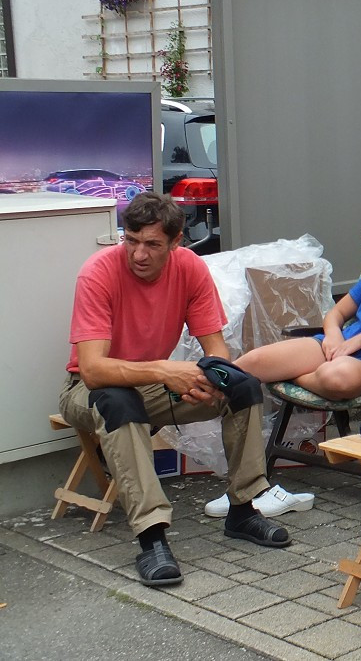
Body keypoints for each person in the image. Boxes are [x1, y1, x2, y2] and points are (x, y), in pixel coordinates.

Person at [59, 192, 291, 588]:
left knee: (241, 386)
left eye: (152, 244)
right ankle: (152, 539)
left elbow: (216, 350)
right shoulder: (97, 272)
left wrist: (209, 381)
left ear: (177, 241)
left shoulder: (190, 268)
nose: (138, 254)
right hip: (87, 391)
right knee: (118, 400)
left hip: (152, 386)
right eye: (131, 240)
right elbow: (94, 370)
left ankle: (243, 509)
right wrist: (167, 371)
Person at [217, 211, 361, 517]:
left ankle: (293, 375)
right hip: (338, 347)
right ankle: (242, 485)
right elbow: (334, 315)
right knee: (251, 362)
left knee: (335, 378)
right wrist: (330, 335)